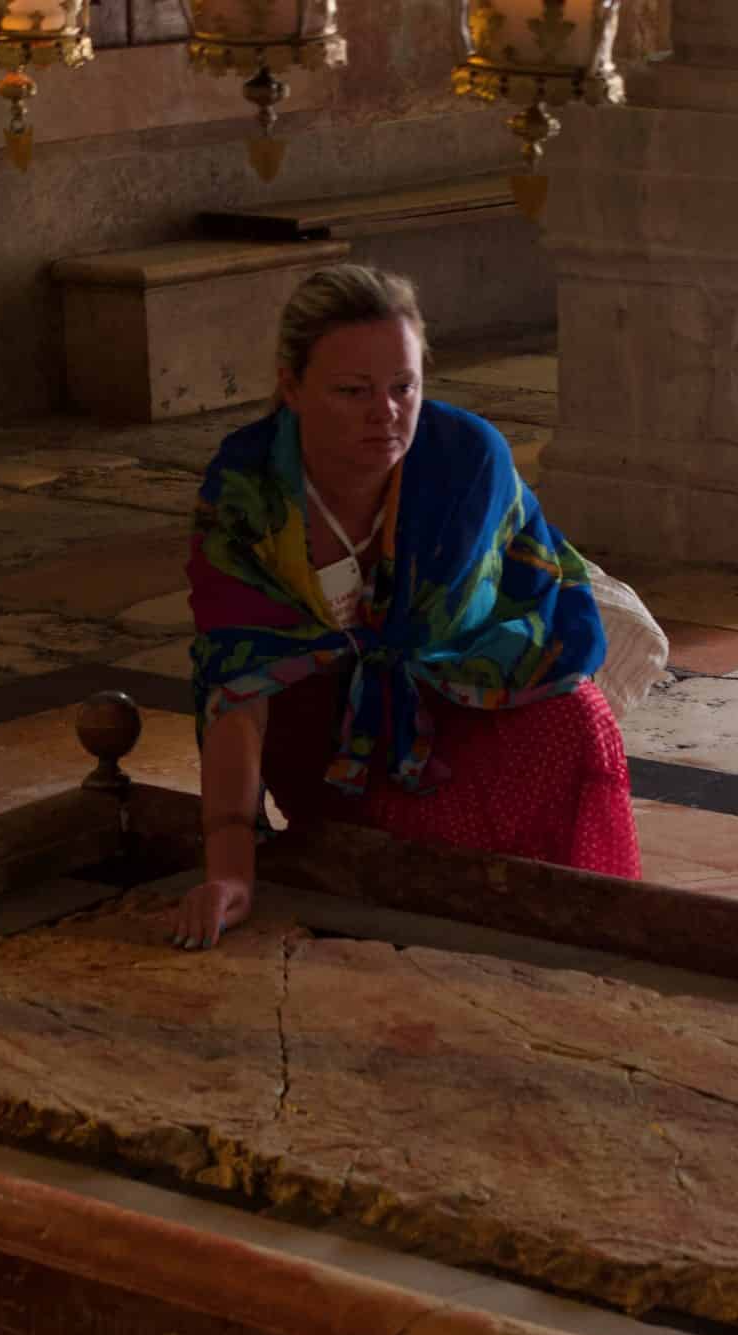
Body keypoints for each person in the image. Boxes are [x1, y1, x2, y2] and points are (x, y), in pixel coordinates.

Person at [173, 265, 642, 951]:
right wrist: (232, 868)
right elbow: (238, 682)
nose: (385, 413)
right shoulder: (249, 492)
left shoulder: (464, 463)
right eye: (352, 391)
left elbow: (537, 609)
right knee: (403, 845)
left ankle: (564, 931)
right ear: (292, 387)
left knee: (579, 719)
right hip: (323, 733)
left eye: (404, 387)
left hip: (456, 698)